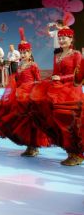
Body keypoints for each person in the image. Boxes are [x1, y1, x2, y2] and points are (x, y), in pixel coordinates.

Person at [0, 28, 51, 157]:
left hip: (30, 95)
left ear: (30, 53)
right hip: (20, 94)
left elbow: (38, 80)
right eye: (22, 52)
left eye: (26, 52)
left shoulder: (33, 65)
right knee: (21, 120)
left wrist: (34, 93)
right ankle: (29, 146)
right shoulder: (19, 66)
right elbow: (18, 80)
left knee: (31, 121)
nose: (23, 54)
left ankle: (34, 146)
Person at [30, 27, 83, 166]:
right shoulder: (57, 56)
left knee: (69, 122)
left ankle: (77, 154)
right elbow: (55, 73)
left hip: (71, 91)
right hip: (58, 89)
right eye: (59, 38)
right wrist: (50, 79)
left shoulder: (76, 54)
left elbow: (78, 75)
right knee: (50, 116)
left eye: (64, 38)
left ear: (71, 39)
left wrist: (62, 78)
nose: (61, 40)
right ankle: (71, 152)